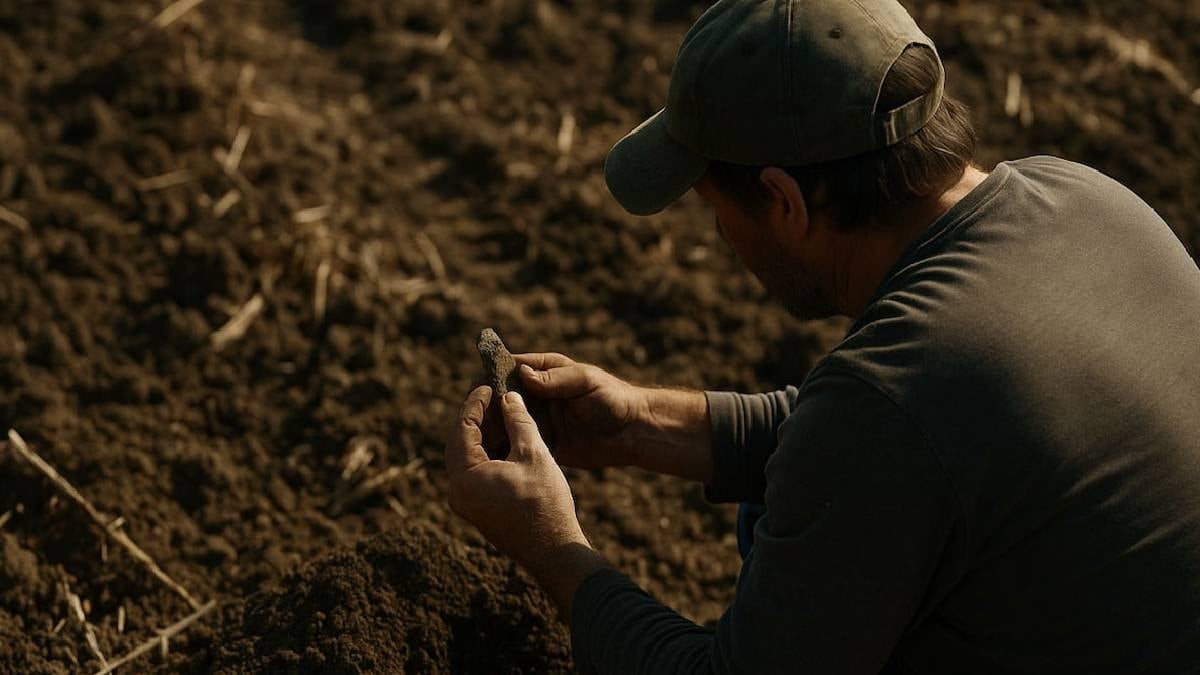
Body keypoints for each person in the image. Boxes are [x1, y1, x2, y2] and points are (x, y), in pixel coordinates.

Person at [444, 0, 1200, 672]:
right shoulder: (1083, 195)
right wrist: (640, 422)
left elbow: (884, 433)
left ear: (783, 199)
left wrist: (551, 544)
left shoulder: (892, 394)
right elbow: (915, 442)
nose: (723, 237)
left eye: (717, 209)